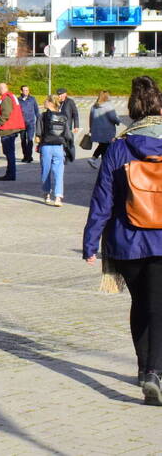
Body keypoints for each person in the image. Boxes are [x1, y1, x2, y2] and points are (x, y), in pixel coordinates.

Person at [83, 75, 162, 405]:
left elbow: (102, 200)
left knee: (140, 303)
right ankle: (155, 373)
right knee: (158, 306)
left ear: (132, 111)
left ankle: (144, 369)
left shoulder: (118, 148)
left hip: (125, 238)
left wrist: (90, 242)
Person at [36, 94, 71, 207]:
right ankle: (58, 197)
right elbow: (67, 134)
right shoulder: (63, 116)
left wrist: (38, 141)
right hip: (59, 146)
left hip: (46, 146)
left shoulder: (42, 116)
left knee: (46, 171)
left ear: (50, 103)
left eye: (46, 101)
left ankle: (46, 194)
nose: (44, 102)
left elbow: (38, 134)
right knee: (59, 172)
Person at [0, 82, 25, 181]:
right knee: (9, 152)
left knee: (9, 152)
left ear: (1, 89)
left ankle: (10, 174)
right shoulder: (11, 96)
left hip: (8, 129)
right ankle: (10, 173)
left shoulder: (6, 99)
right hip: (12, 128)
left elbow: (6, 114)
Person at [89, 90, 121, 169]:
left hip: (97, 131)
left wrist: (91, 128)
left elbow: (91, 119)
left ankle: (95, 159)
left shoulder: (94, 106)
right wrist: (118, 121)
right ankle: (100, 163)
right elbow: (113, 118)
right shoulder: (108, 106)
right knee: (106, 147)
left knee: (103, 146)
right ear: (107, 97)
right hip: (107, 131)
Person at [18, 85, 40, 163]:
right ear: (21, 91)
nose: (26, 92)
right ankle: (25, 156)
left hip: (31, 123)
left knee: (30, 139)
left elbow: (36, 111)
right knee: (23, 140)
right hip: (22, 123)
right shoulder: (18, 100)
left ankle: (29, 156)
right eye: (24, 90)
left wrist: (39, 120)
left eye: (27, 90)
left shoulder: (32, 99)